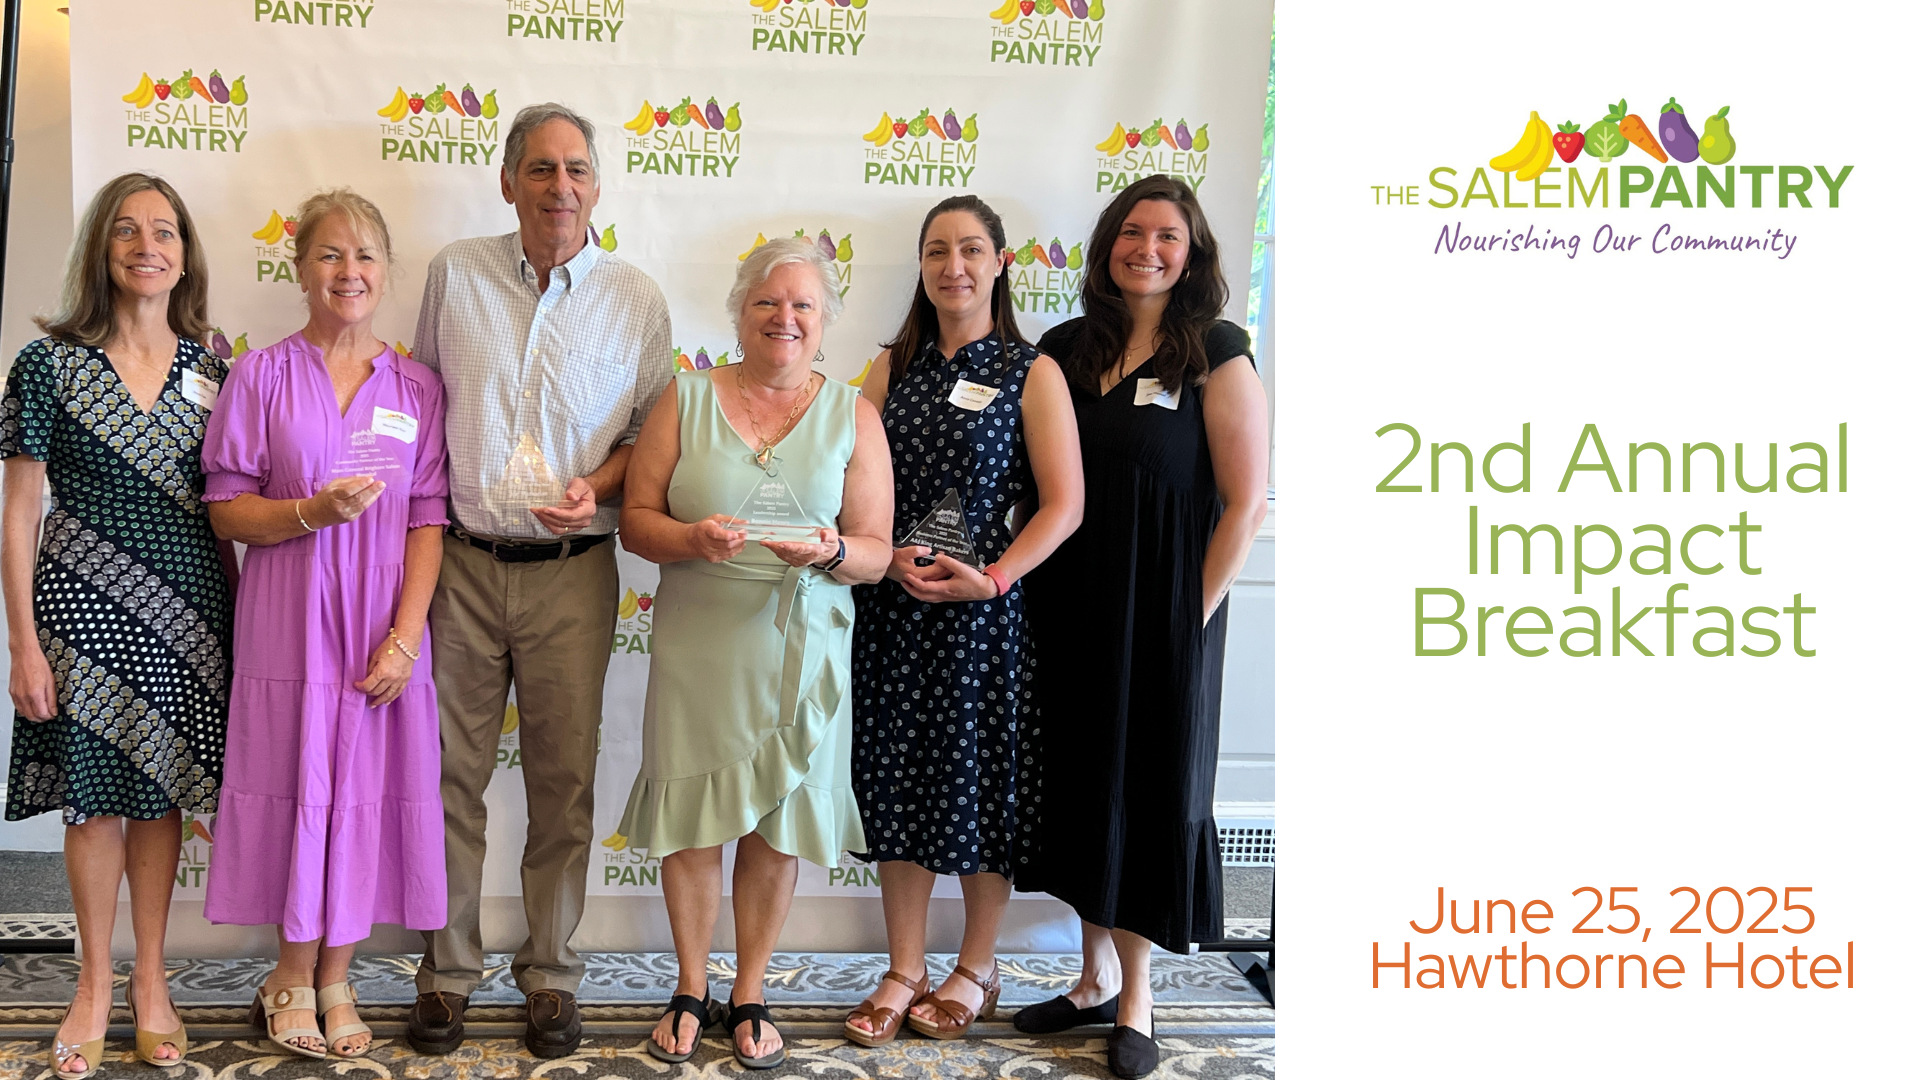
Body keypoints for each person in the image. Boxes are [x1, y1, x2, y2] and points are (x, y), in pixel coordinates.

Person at [407, 103, 674, 1060]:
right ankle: (446, 974)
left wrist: (598, 484)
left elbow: (649, 436)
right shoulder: (453, 274)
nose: (560, 186)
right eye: (541, 168)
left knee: (563, 783)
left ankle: (553, 971)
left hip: (574, 572)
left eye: (577, 170)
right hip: (462, 567)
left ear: (597, 187)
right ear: (508, 181)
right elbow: (422, 405)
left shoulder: (636, 298)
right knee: (450, 778)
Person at [1012, 175, 1269, 1080]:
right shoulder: (1065, 348)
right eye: (1131, 232)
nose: (1146, 248)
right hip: (1069, 603)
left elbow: (1246, 505)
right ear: (1106, 246)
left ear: (1192, 254)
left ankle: (1137, 997)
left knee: (1149, 790)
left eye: (1167, 235)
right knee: (1085, 786)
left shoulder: (1218, 352)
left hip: (1166, 613)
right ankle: (1090, 979)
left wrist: (1185, 621)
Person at [616, 236, 890, 1069]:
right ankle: (689, 987)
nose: (785, 317)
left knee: (777, 825)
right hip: (700, 640)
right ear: (740, 311)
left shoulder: (855, 414)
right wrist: (690, 539)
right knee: (693, 822)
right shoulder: (684, 397)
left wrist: (831, 551)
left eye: (803, 304)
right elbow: (636, 522)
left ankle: (751, 992)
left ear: (825, 320)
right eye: (768, 301)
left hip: (805, 648)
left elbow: (876, 550)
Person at [199, 189, 449, 1061]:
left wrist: (407, 637)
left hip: (382, 624)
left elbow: (427, 518)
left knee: (364, 793)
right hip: (288, 618)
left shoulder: (416, 386)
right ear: (301, 268)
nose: (349, 271)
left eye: (365, 255)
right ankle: (289, 974)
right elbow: (227, 508)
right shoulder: (260, 375)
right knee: (294, 785)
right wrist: (309, 512)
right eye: (330, 255)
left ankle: (336, 978)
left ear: (386, 270)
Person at [1, 173, 230, 1079]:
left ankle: (152, 979)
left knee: (161, 798)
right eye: (127, 230)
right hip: (79, 611)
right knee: (94, 801)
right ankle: (93, 983)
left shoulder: (214, 367)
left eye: (165, 231)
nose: (147, 246)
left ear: (185, 253)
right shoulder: (48, 364)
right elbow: (19, 511)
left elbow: (229, 503)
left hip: (187, 613)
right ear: (101, 248)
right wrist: (22, 641)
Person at [842, 196, 1082, 1047]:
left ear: (1002, 262)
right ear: (920, 265)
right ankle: (905, 967)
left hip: (982, 622)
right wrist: (878, 555)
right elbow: (850, 478)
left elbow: (1064, 505)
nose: (954, 266)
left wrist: (997, 579)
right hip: (894, 611)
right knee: (897, 786)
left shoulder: (1031, 371)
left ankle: (977, 966)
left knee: (980, 790)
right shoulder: (890, 367)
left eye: (972, 249)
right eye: (938, 250)